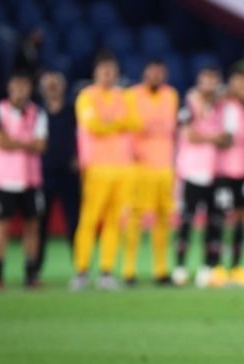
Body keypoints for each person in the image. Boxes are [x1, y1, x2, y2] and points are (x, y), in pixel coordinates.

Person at [71, 51, 135, 291]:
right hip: (96, 168)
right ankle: (81, 271)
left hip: (123, 167)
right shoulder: (86, 96)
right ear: (95, 73)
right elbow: (92, 125)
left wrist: (109, 122)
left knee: (114, 222)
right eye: (104, 71)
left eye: (111, 70)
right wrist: (117, 122)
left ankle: (107, 272)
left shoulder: (125, 96)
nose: (108, 75)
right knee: (89, 220)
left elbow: (135, 121)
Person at [172, 66, 233, 288]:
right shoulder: (187, 103)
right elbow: (189, 135)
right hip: (192, 170)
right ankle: (179, 267)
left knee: (215, 221)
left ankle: (208, 268)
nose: (209, 85)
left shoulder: (224, 107)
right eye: (206, 80)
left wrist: (206, 136)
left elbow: (228, 140)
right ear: (199, 81)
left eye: (213, 80)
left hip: (216, 170)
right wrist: (214, 137)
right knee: (187, 220)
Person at [0, 70, 47, 292]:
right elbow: (0, 141)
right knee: (2, 227)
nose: (21, 91)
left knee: (32, 227)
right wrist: (27, 143)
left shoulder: (37, 112)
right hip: (5, 180)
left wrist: (15, 141)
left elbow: (41, 145)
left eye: (25, 87)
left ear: (30, 89)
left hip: (31, 179)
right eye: (17, 86)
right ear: (10, 88)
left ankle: (30, 275)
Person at [122, 59, 179, 286]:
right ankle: (128, 271)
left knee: (164, 219)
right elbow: (127, 128)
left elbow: (168, 127)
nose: (155, 76)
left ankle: (161, 270)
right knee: (135, 218)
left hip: (164, 166)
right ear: (145, 73)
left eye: (159, 73)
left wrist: (148, 126)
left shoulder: (171, 95)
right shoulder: (131, 96)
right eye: (151, 72)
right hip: (139, 166)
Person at [211, 65, 244, 288]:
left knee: (241, 218)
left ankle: (237, 267)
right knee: (222, 218)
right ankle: (216, 268)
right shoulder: (225, 107)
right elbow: (222, 138)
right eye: (239, 83)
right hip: (225, 171)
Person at [36, 71, 79, 277]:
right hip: (43, 175)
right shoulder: (36, 113)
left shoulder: (73, 111)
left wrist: (79, 157)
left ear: (63, 87)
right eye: (48, 84)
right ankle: (33, 271)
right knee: (39, 225)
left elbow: (84, 137)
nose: (52, 88)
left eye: (56, 84)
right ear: (42, 89)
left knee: (75, 224)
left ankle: (81, 269)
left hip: (69, 175)